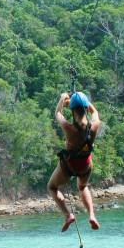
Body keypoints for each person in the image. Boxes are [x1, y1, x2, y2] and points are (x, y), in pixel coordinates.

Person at [47, 91, 101, 232]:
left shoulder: (68, 128)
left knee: (52, 187)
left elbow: (57, 113)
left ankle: (68, 215)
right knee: (83, 187)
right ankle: (91, 215)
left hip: (69, 166)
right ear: (85, 108)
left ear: (72, 110)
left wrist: (62, 99)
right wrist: (82, 99)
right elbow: (94, 111)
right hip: (85, 165)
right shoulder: (95, 125)